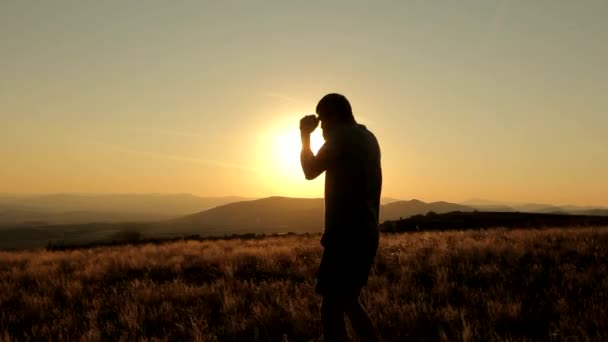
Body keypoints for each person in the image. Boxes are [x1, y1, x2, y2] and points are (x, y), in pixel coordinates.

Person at [300, 93, 381, 341]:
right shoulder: (368, 137)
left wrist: (305, 136)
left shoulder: (341, 137)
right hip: (367, 232)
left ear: (334, 115)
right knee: (348, 301)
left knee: (331, 308)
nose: (322, 127)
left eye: (323, 121)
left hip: (346, 235)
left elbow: (310, 171)